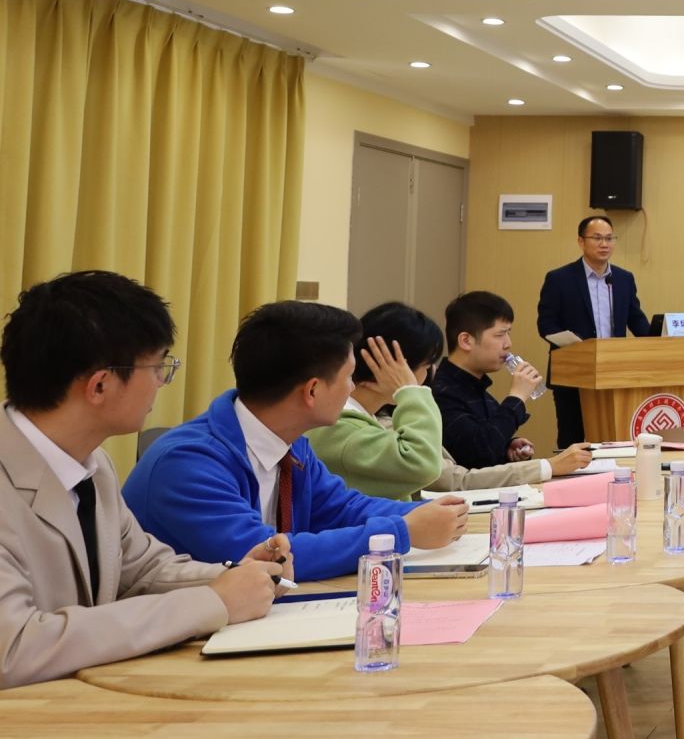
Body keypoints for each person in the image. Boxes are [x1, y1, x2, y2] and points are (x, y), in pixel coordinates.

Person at [0, 270, 283, 686]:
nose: (161, 383)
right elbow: (15, 647)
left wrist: (241, 576)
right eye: (157, 367)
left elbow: (143, 569)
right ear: (100, 385)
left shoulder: (93, 464)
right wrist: (211, 603)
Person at [124, 300, 468, 579]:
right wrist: (401, 531)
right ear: (312, 390)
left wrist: (426, 513)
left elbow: (341, 508)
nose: (352, 387)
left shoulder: (290, 443)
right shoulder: (186, 463)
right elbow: (266, 555)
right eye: (348, 377)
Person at [308, 302, 593, 499]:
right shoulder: (343, 427)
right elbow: (433, 469)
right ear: (395, 365)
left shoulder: (377, 415)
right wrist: (410, 390)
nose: (429, 374)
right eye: (500, 334)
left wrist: (510, 445)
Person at [537, 216, 654, 450]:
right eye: (597, 238)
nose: (604, 244)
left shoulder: (623, 279)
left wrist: (658, 342)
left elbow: (636, 320)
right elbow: (546, 324)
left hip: (614, 373)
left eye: (609, 238)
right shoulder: (559, 279)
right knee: (572, 437)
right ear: (581, 241)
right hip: (572, 373)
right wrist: (578, 346)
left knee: (613, 436)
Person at [430, 292, 549, 470]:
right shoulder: (441, 392)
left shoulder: (479, 391)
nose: (508, 344)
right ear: (466, 340)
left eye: (508, 333)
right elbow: (479, 453)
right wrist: (516, 397)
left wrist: (508, 448)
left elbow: (485, 441)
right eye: (500, 334)